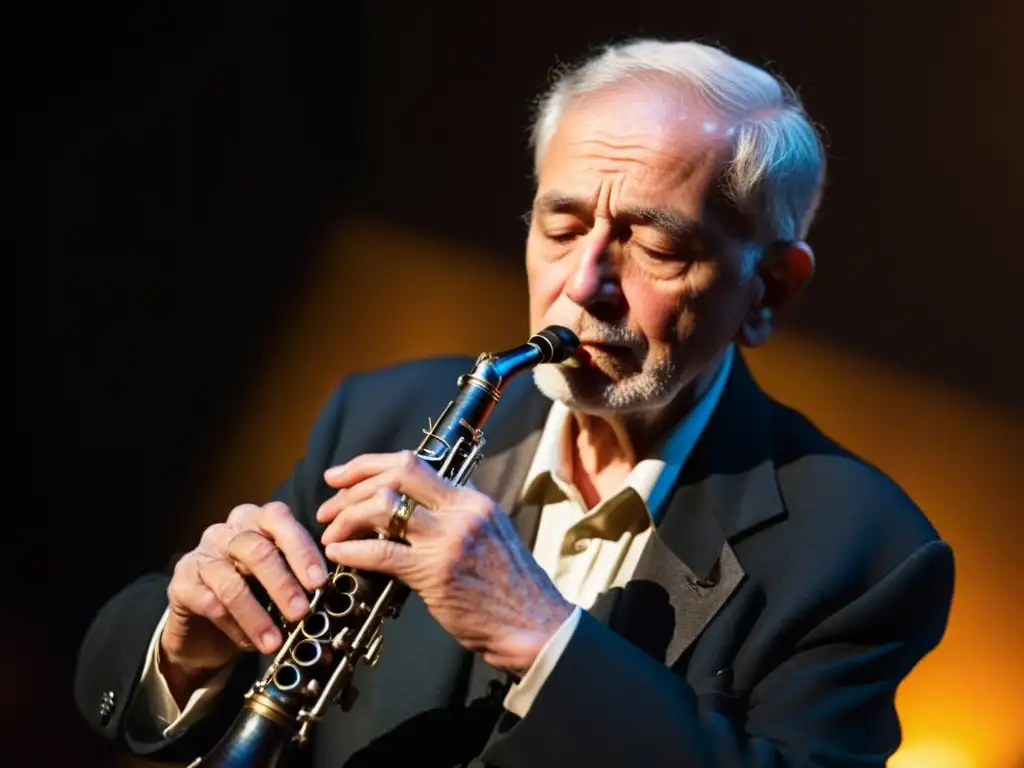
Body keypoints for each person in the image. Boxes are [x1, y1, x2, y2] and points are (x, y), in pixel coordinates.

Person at [74, 38, 954, 767]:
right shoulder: (382, 413)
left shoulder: (867, 553)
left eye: (655, 246)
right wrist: (188, 646)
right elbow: (150, 677)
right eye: (562, 228)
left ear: (769, 291)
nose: (582, 287)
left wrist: (543, 637)